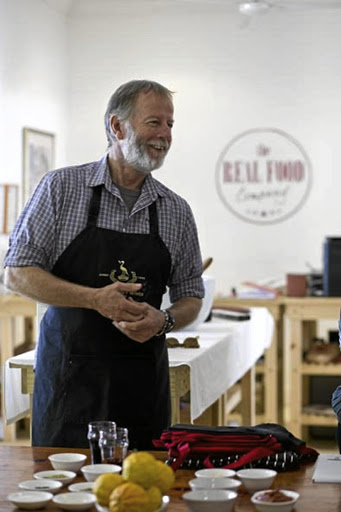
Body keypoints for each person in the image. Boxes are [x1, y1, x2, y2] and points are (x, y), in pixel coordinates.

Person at [4, 79, 204, 450]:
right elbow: (17, 272)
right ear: (117, 126)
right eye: (154, 123)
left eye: (170, 125)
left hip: (143, 385)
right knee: (62, 496)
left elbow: (191, 293)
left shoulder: (176, 210)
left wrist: (167, 320)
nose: (165, 135)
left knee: (143, 495)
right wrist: (94, 299)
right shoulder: (61, 189)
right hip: (69, 382)